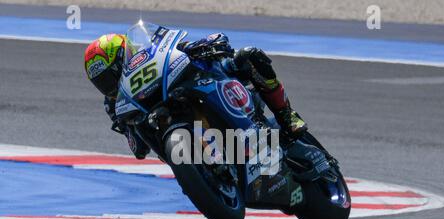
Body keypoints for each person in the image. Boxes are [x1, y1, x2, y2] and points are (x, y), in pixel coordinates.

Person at [84, 32, 307, 160]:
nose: (110, 86)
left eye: (112, 75)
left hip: (203, 83)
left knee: (248, 56)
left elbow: (201, 44)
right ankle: (210, 174)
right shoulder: (116, 107)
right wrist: (127, 128)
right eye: (102, 83)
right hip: (186, 148)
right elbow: (139, 150)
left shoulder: (152, 53)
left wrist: (208, 44)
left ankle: (286, 115)